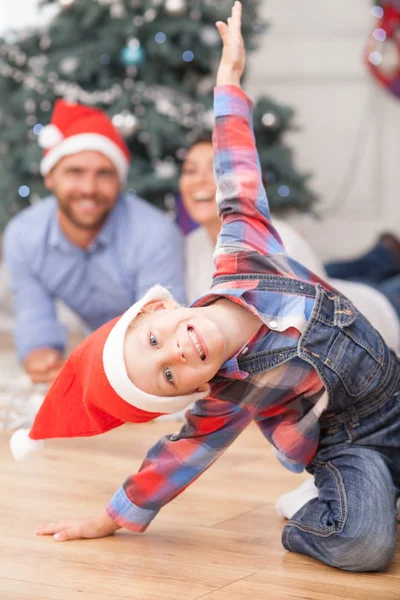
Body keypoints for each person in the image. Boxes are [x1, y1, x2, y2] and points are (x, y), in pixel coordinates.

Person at [13, 2, 400, 572]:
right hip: (350, 443)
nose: (175, 352)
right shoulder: (231, 390)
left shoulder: (244, 251)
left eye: (154, 342)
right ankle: (331, 506)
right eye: (169, 376)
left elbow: (236, 171)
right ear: (188, 391)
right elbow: (179, 455)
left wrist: (228, 84)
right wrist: (115, 514)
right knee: (363, 545)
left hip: (395, 384)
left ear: (161, 305)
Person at [3, 100, 185, 385]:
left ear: (120, 181)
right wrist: (41, 354)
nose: (89, 189)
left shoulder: (155, 234)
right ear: (50, 177)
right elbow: (33, 311)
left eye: (104, 174)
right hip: (96, 354)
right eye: (75, 172)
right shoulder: (24, 235)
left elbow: (163, 329)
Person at [180, 136, 400, 352]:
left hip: (375, 321)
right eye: (190, 170)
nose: (199, 180)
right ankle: (384, 255)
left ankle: (383, 257)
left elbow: (321, 332)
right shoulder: (188, 247)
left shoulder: (278, 242)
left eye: (215, 170)